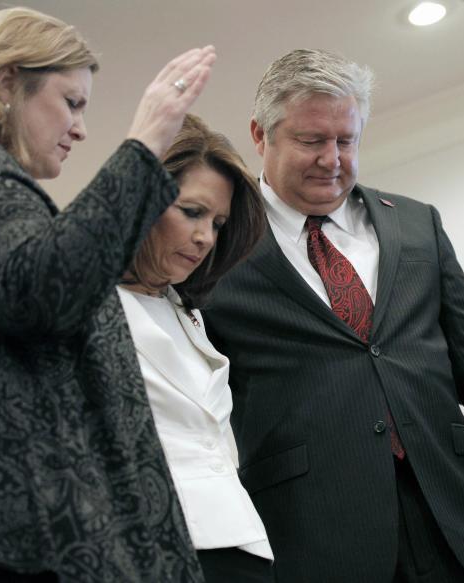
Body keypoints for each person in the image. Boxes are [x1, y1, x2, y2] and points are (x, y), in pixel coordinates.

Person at [201, 48, 464, 583]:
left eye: (346, 141)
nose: (332, 159)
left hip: (455, 518)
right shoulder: (216, 244)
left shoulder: (417, 225)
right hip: (316, 532)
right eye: (310, 141)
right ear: (261, 136)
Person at [0, 7, 216, 582]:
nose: (80, 127)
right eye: (71, 102)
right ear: (5, 83)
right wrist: (147, 139)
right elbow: (40, 292)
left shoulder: (4, 195)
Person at [115, 114, 272, 582]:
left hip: (243, 541)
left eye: (218, 222)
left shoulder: (189, 313)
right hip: (152, 546)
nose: (206, 237)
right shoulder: (84, 307)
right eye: (191, 212)